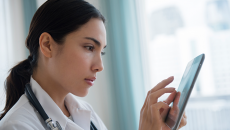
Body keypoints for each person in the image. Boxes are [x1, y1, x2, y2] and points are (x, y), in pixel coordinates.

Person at [0, 0, 187, 130]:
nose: (100, 66)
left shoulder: (86, 114)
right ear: (47, 45)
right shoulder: (17, 126)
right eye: (89, 47)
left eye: (102, 52)